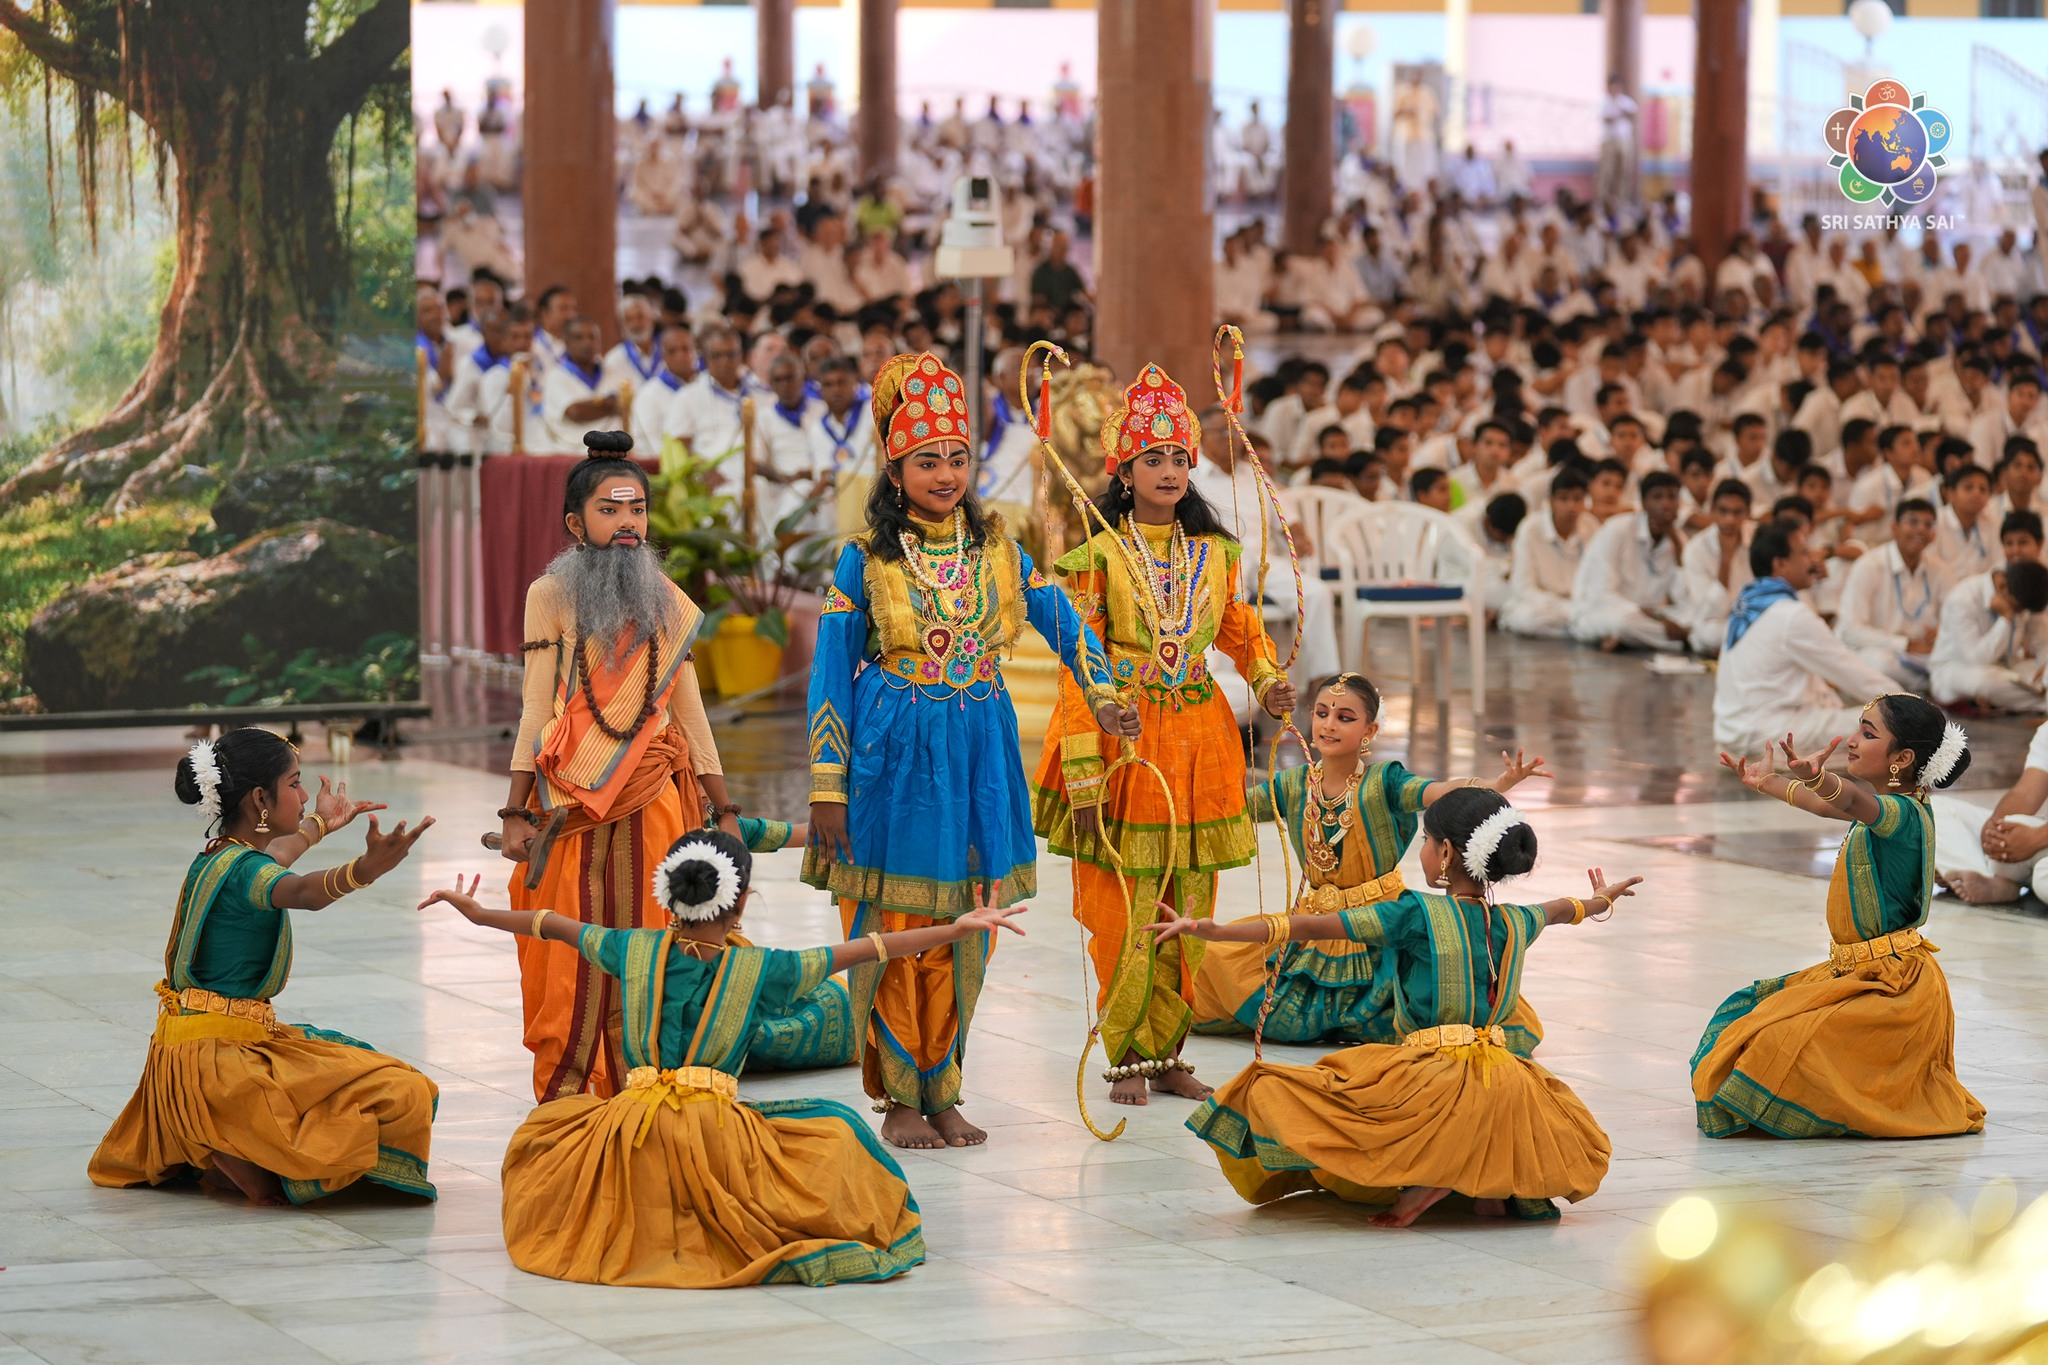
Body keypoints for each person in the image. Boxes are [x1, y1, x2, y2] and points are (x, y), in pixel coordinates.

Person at [419, 828, 1005, 1286]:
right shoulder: (763, 969)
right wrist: (954, 931)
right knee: (841, 1132)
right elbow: (869, 948)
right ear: (741, 900)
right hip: (717, 1136)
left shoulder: (633, 947)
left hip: (627, 1131)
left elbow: (550, 925)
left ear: (669, 895)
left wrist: (478, 914)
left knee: (546, 1133)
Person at [806, 352, 1128, 1151]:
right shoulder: (865, 558)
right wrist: (827, 784)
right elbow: (828, 675)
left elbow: (1061, 623)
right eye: (927, 460)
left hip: (979, 753)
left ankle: (944, 1085)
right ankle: (899, 1096)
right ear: (895, 466)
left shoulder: (999, 551)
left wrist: (1106, 690)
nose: (945, 473)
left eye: (957, 458)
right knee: (895, 918)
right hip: (890, 755)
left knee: (965, 923)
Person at [1168, 788, 1630, 1226]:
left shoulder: (1414, 913)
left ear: (1447, 852)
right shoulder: (1518, 919)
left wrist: (1217, 932)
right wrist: (1601, 900)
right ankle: (1483, 1183)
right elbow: (1563, 909)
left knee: (1272, 1086)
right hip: (1509, 1079)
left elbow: (1311, 925)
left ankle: (1436, 1178)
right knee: (1481, 1100)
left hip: (1430, 1075)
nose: (1424, 851)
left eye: (1427, 841)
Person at [1033, 364, 1296, 1109]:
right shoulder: (1097, 559)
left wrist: (1270, 677)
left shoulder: (1217, 553)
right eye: (1154, 458)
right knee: (1127, 902)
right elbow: (1077, 665)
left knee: (1189, 900)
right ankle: (1126, 1053)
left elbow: (1243, 632)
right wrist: (1085, 769)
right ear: (1124, 471)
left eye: (1180, 458)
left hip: (1201, 740)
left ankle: (1170, 1049)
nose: (1171, 470)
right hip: (1128, 744)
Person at [497, 436, 747, 1103]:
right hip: (569, 805)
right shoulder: (549, 594)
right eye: (611, 509)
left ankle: (646, 1083)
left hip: (655, 803)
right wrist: (515, 810)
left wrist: (723, 810)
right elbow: (533, 710)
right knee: (570, 956)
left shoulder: (667, 598)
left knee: (652, 946)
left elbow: (692, 716)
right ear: (577, 524)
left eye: (638, 508)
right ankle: (572, 1092)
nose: (629, 522)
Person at [89, 730, 439, 1205]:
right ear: (260, 798)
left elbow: (279, 855)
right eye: (294, 784)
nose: (302, 795)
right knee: (403, 1092)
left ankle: (223, 1135)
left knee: (355, 1071)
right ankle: (233, 1135)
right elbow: (302, 892)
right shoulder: (248, 872)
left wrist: (320, 822)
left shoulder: (220, 855)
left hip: (184, 1056)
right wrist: (366, 869)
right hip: (222, 1065)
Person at [1189, 672, 1550, 1053]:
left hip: (1382, 928)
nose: (1329, 725)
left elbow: (1439, 792)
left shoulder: (1385, 782)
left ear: (1370, 729)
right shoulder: (1293, 785)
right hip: (1314, 923)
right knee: (1211, 967)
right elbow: (1231, 811)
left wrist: (1496, 785)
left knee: (1428, 1006)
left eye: (1345, 717)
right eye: (1322, 713)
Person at [1701, 699, 1987, 1140]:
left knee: (1774, 1046)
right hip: (1857, 974)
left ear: (1902, 759)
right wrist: (1767, 781)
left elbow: (1849, 797)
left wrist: (1819, 777)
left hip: (1894, 991)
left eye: (1869, 734)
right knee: (1746, 1022)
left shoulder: (1902, 814)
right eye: (1858, 729)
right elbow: (1824, 806)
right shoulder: (1883, 808)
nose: (1852, 741)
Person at [1712, 521, 1899, 757]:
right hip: (1766, 733)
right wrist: (1908, 707)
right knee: (1888, 721)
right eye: (1803, 553)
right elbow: (1853, 673)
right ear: (1779, 563)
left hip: (1733, 730)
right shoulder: (1790, 614)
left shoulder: (1746, 603)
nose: (1812, 560)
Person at [1569, 469, 1688, 651]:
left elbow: (1682, 598)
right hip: (1602, 611)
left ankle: (1634, 640)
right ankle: (1684, 642)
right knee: (1621, 623)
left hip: (1653, 615)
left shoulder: (1679, 539)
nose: (1665, 504)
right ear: (1643, 503)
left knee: (1695, 617)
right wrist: (1649, 615)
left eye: (1672, 497)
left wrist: (1678, 547)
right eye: (1657, 497)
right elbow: (1602, 593)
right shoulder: (1617, 529)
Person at [1834, 498, 1949, 686]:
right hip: (1878, 653)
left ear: (1933, 534)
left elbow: (1954, 617)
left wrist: (1941, 632)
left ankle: (1927, 689)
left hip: (1923, 656)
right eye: (1913, 522)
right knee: (1880, 665)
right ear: (1894, 528)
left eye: (1928, 524)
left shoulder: (1940, 569)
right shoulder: (1870, 565)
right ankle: (1929, 689)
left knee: (1956, 661)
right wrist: (1906, 645)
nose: (1921, 529)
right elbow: (1850, 630)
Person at [1934, 717, 2048, 905]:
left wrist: (2038, 837)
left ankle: (1984, 869)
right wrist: (1995, 830)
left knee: (2043, 878)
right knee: (1936, 811)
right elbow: (2025, 794)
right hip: (2036, 837)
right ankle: (1992, 881)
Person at [1928, 558, 2048, 714]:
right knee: (1984, 682)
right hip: (1956, 670)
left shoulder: (2022, 595)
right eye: (2017, 608)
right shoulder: (1963, 598)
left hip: (2009, 669)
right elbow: (1977, 659)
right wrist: (2006, 618)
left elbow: (2041, 642)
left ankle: (2012, 700)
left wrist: (2045, 664)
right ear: (2003, 586)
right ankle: (2042, 704)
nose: (2020, 613)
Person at [1500, 467, 1593, 638]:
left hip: (1580, 604)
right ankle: (1586, 630)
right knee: (1527, 619)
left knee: (1611, 615)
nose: (1571, 506)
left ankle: (1586, 627)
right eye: (1563, 499)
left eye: (1578, 499)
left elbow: (1597, 580)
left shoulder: (1591, 526)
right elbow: (1524, 588)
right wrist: (1567, 608)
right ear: (1551, 501)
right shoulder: (1531, 528)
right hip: (1543, 605)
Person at [541, 317, 624, 452]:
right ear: (567, 342)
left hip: (612, 451)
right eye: (579, 338)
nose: (587, 343)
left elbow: (625, 407)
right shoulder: (556, 377)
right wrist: (610, 404)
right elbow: (576, 413)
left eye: (592, 337)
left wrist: (595, 405)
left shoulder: (614, 374)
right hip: (572, 453)